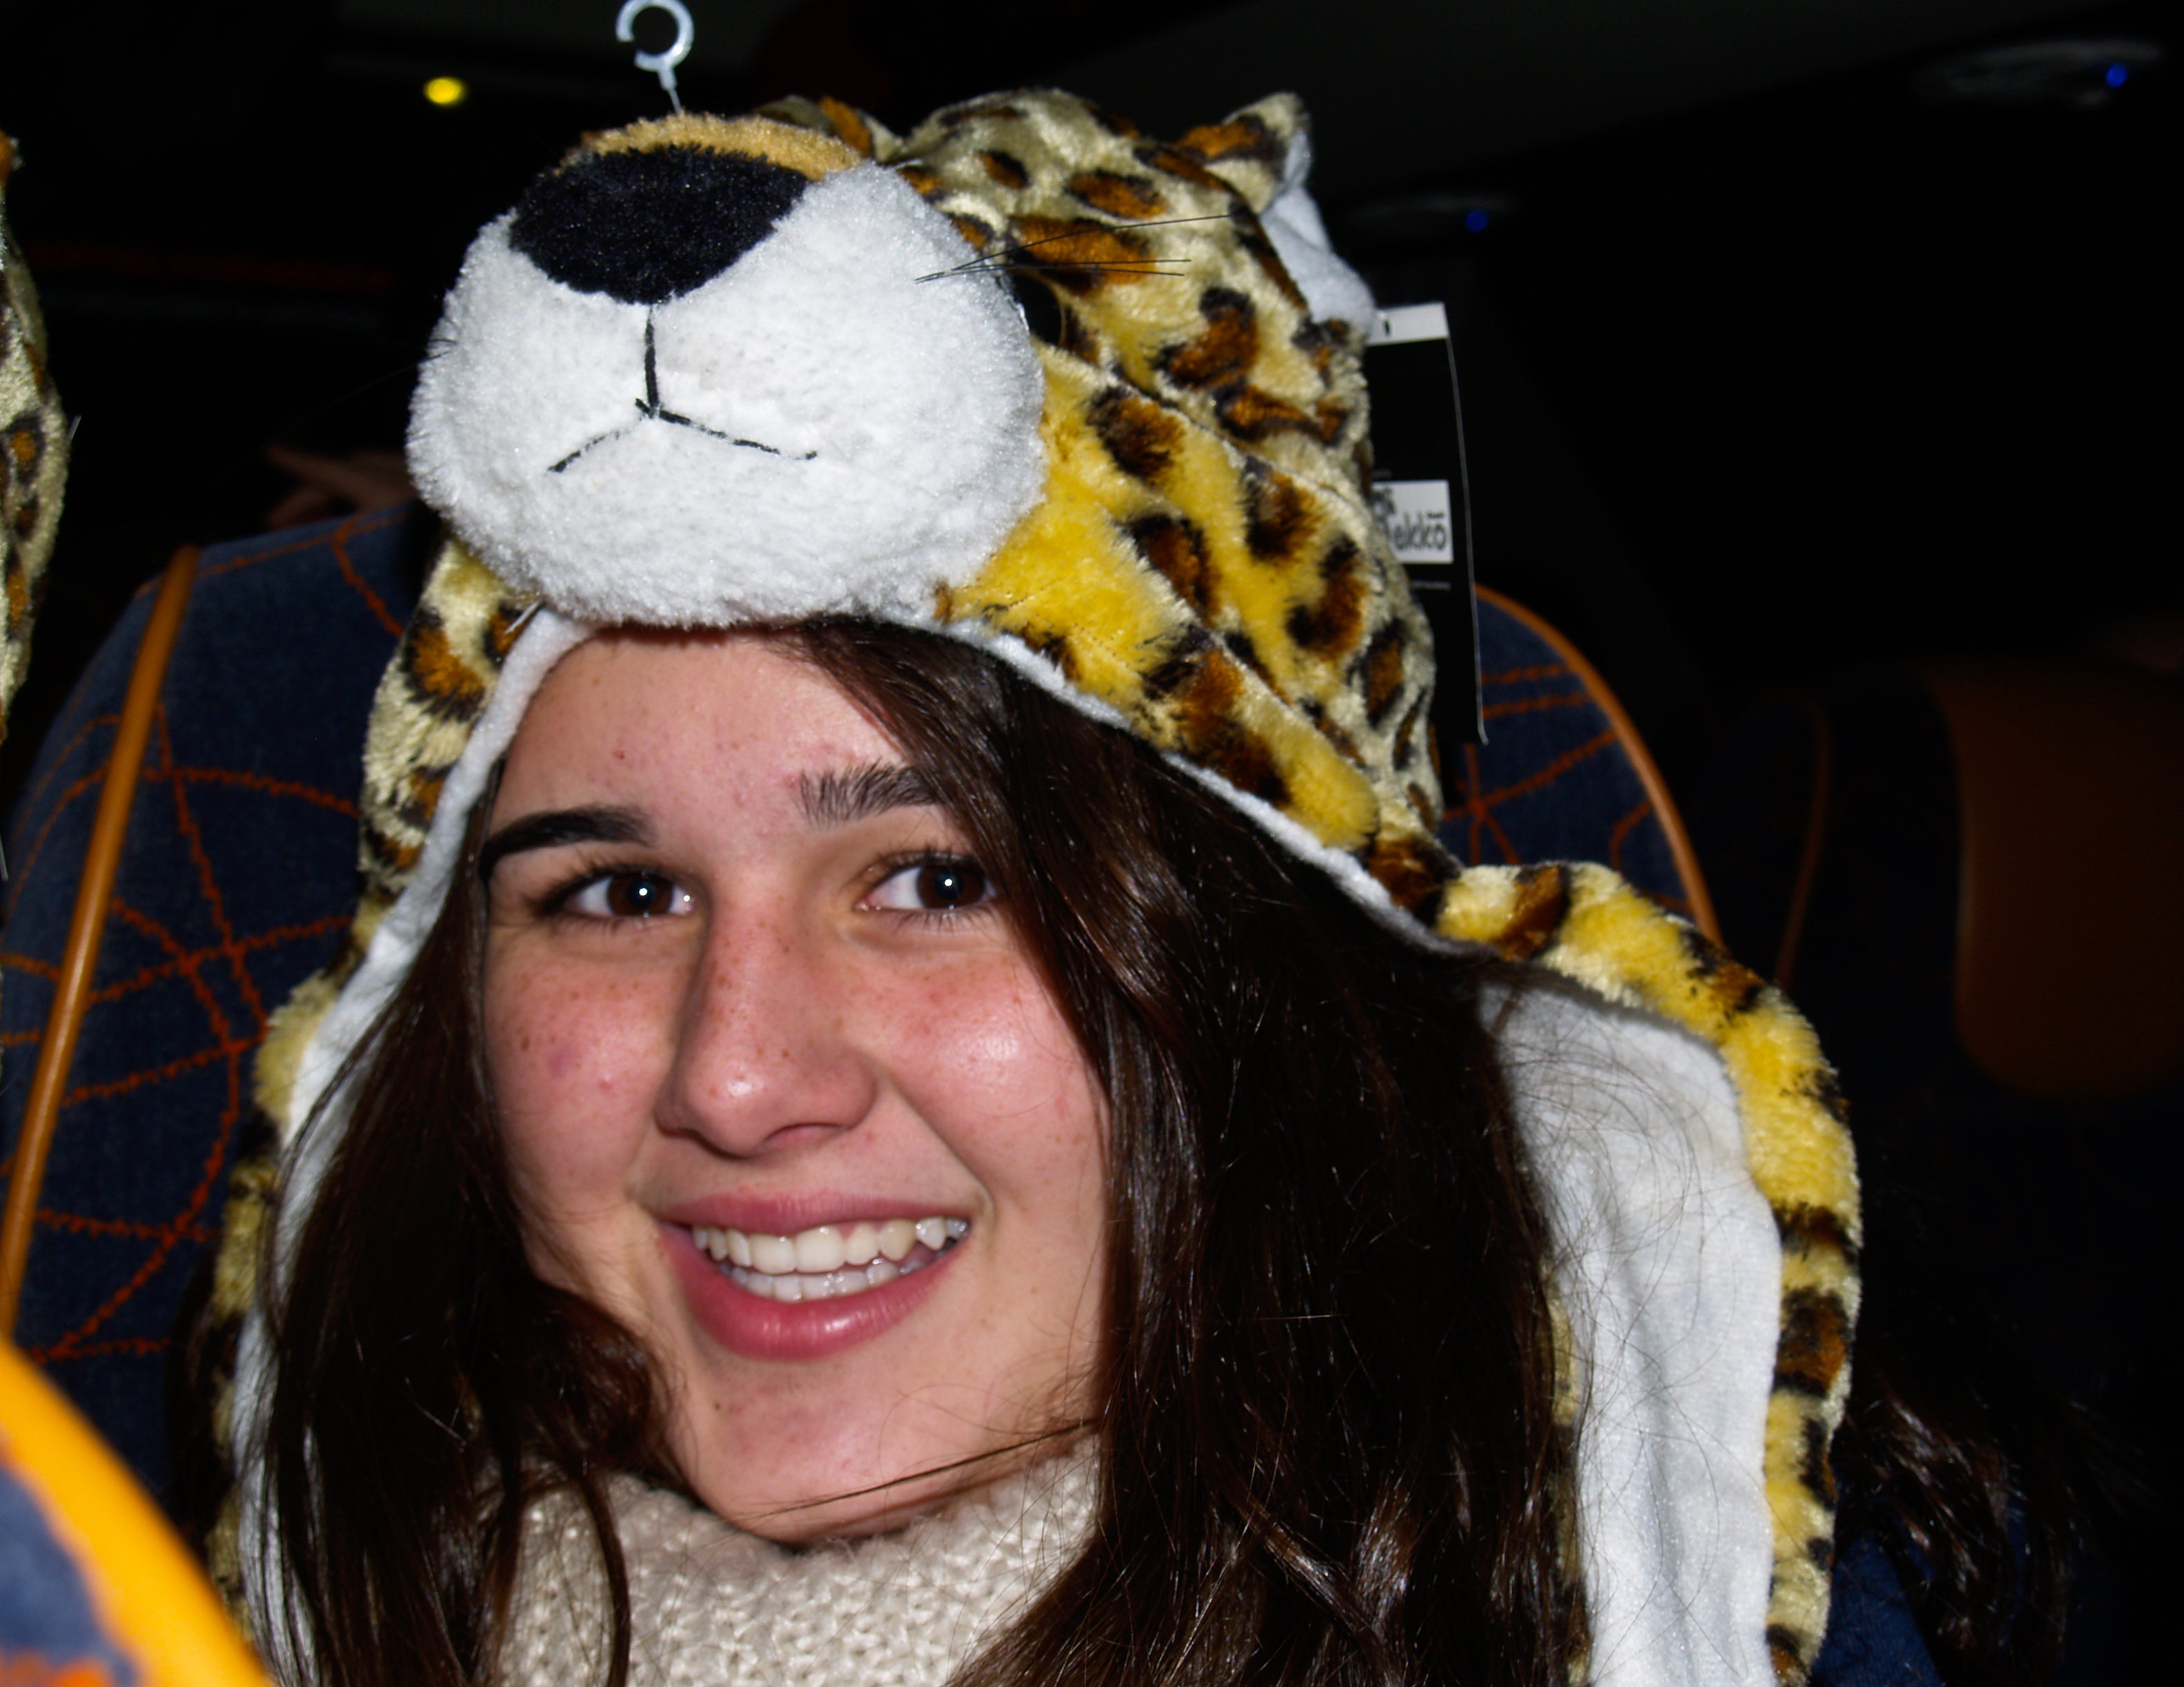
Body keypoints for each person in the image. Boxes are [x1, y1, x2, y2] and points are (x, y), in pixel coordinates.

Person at [198, 90, 1868, 1687]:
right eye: (623, 897)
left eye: (936, 879)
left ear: (1275, 967)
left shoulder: (1769, 1612)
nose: (737, 1080)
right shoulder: (226, 1609)